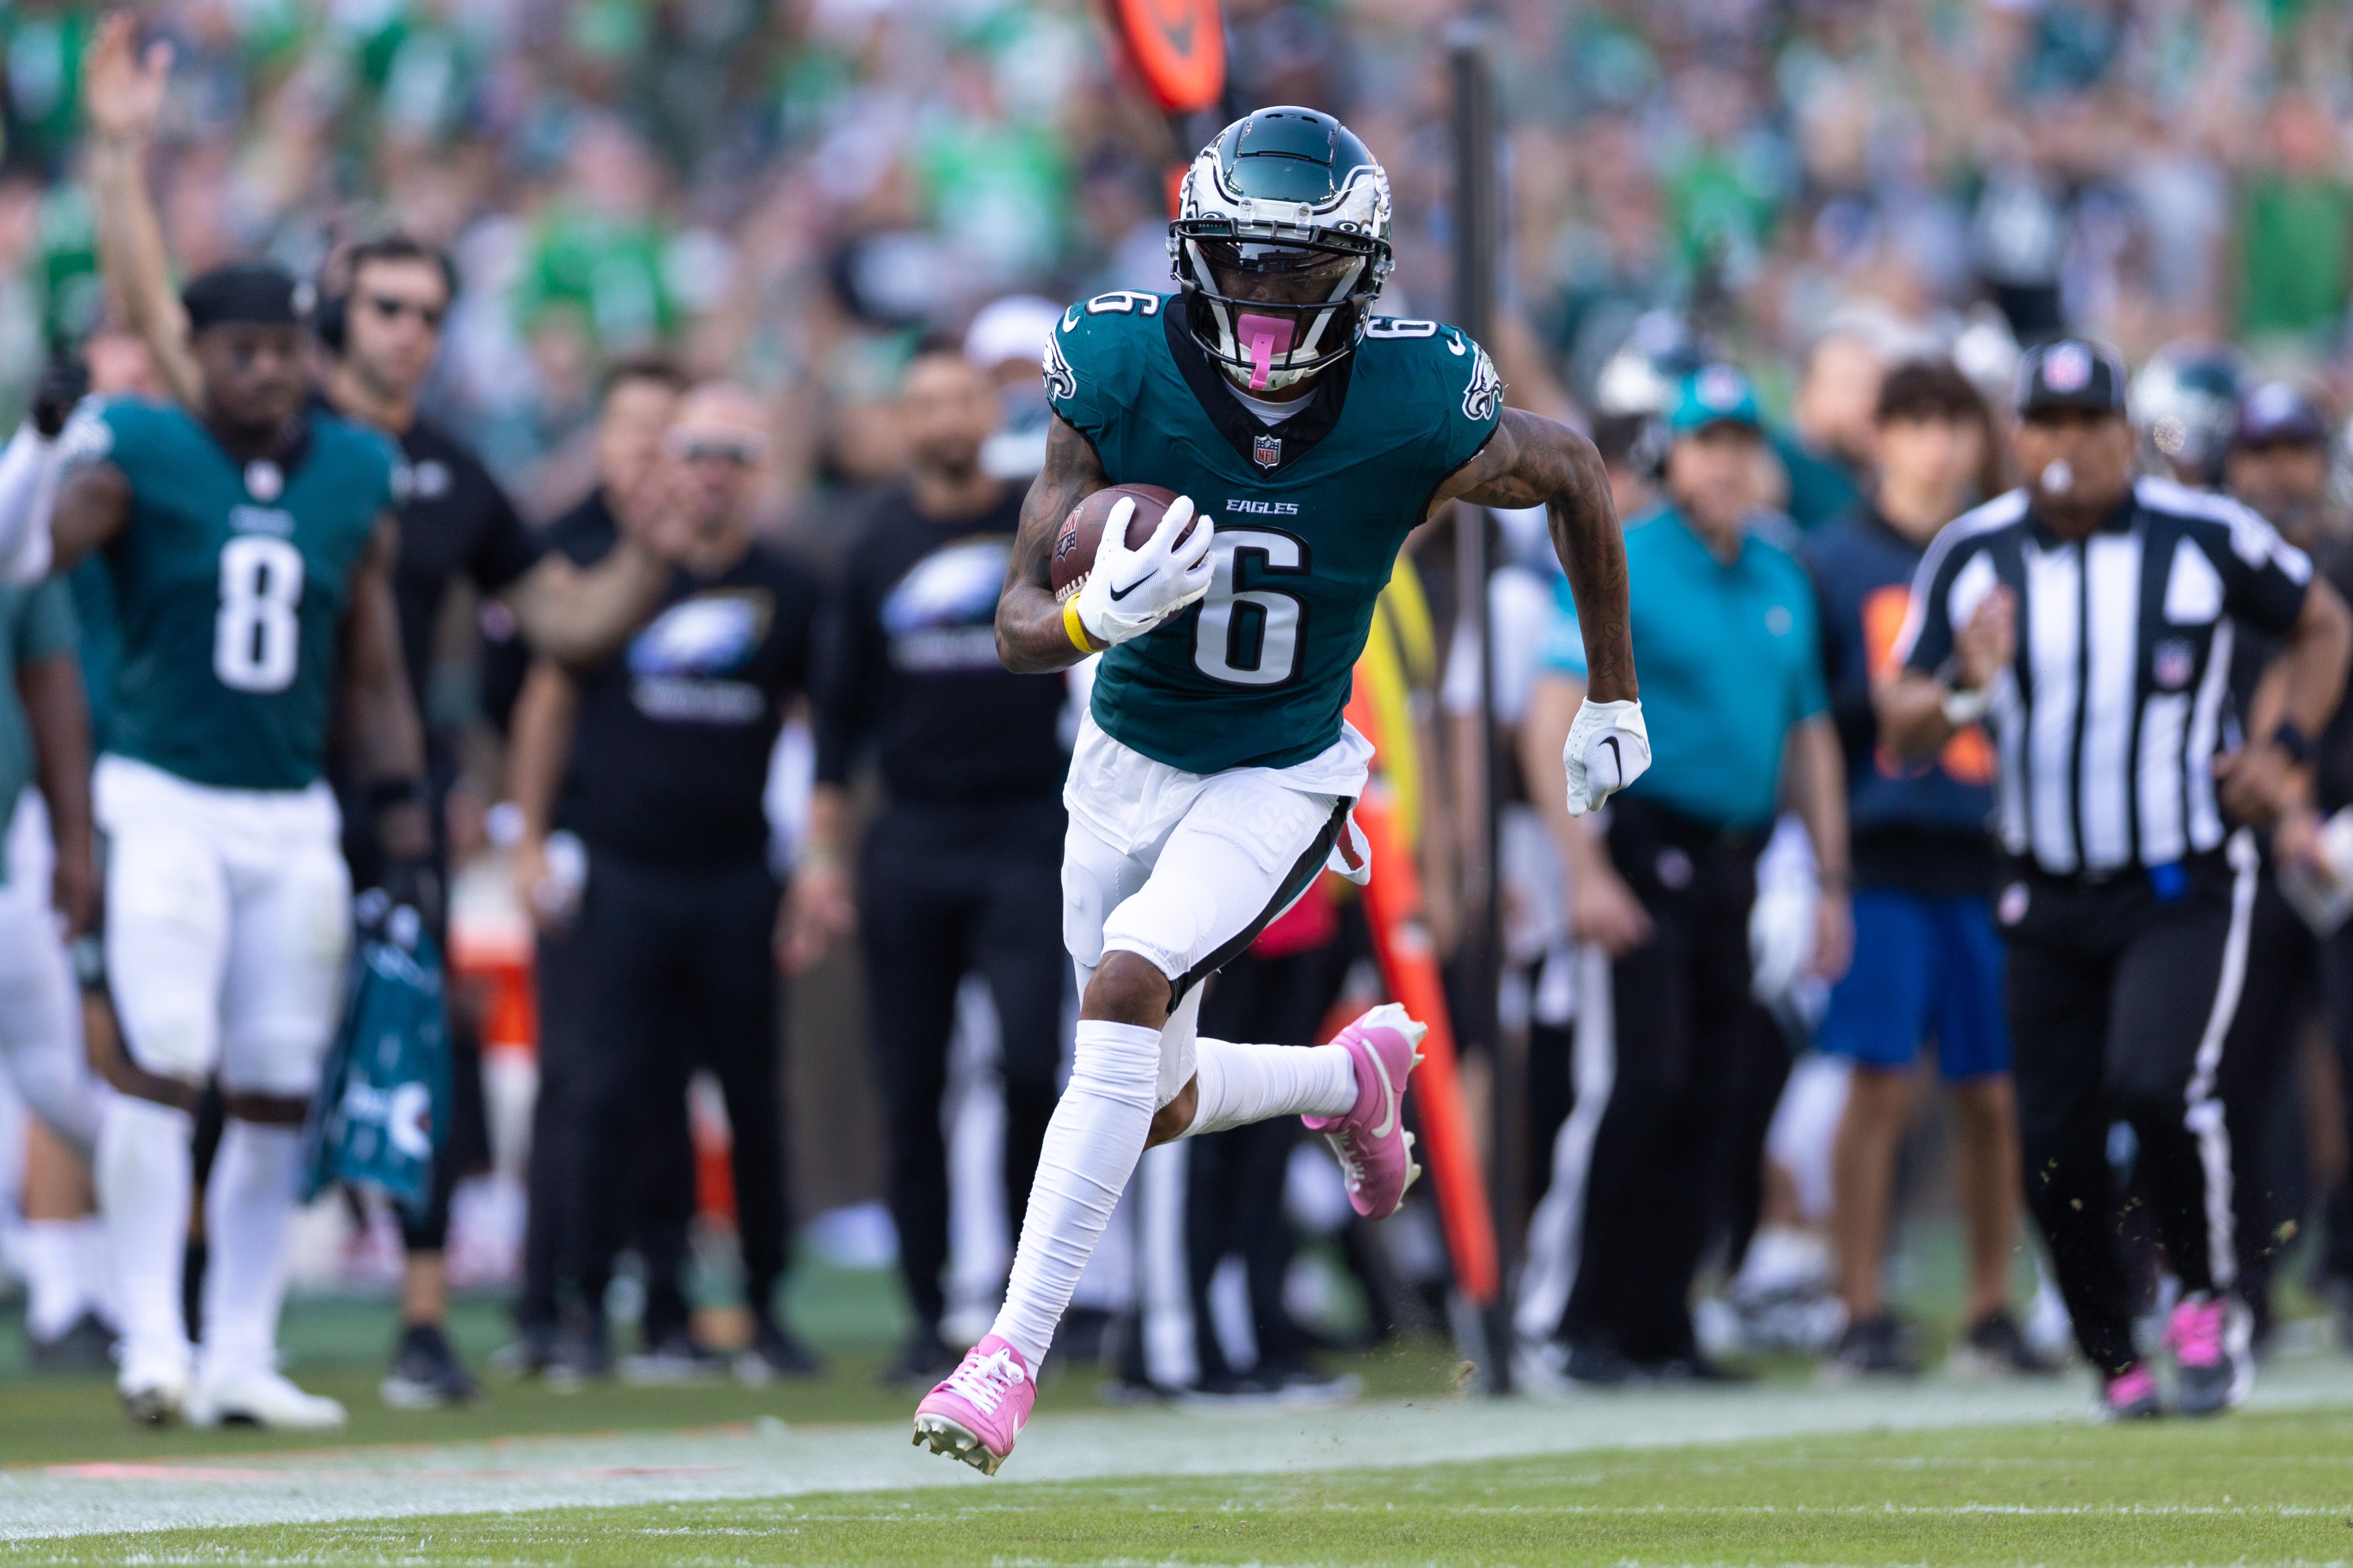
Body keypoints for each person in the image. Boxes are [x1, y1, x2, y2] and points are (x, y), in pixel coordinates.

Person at [911, 106, 1646, 1476]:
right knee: (1157, 1092)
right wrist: (1089, 619)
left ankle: (1006, 1355)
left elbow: (1576, 471)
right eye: (1240, 263)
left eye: (1297, 269)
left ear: (1357, 277)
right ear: (1195, 255)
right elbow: (1016, 620)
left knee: (1126, 993)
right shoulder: (1119, 361)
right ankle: (1344, 1077)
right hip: (1124, 762)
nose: (1262, 296)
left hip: (1285, 766)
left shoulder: (1416, 394)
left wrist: (1611, 690)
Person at [78, 15, 685, 1406]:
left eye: (430, 314)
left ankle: (374, 1322)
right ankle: (155, 1328)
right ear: (326, 316)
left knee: (371, 1051)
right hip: (221, 768)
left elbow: (562, 624)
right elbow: (166, 328)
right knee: (185, 1057)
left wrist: (653, 544)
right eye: (389, 309)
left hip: (363, 788)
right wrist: (121, 157)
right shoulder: (261, 424)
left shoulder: (441, 473)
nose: (410, 335)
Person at [1880, 338, 2352, 1419]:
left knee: (2159, 1084)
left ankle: (2204, 1298)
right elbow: (1903, 726)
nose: (2067, 447)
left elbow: (2323, 625)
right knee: (2053, 1130)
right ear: (2018, 437)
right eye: (2045, 425)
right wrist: (1965, 681)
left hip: (2180, 876)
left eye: (2089, 424)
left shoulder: (2204, 536)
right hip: (2044, 886)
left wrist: (2282, 754)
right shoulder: (1973, 551)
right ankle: (2107, 1339)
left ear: (2124, 436)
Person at [28, 260, 425, 1428]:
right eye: (239, 349)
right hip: (161, 797)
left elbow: (376, 660)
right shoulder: (142, 449)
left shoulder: (356, 466)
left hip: (290, 808)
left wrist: (401, 813)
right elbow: (32, 560)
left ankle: (242, 1349)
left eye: (282, 348)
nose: (264, 371)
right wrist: (45, 451)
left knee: (276, 1088)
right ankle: (153, 1338)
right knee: (165, 1058)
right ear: (193, 353)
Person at [1518, 364, 1849, 1388]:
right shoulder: (1624, 556)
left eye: (1741, 444)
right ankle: (1567, 1320)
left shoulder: (1779, 577)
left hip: (1738, 858)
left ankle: (1660, 1322)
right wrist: (1582, 868)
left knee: (1717, 1089)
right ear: (1671, 455)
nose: (1726, 464)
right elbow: (1547, 715)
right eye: (1707, 442)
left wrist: (1832, 878)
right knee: (1636, 1083)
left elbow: (1808, 738)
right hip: (1643, 844)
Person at [509, 383, 826, 1384]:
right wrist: (528, 842)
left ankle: (766, 1305)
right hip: (624, 869)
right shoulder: (620, 576)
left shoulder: (790, 584)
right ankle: (589, 1307)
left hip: (736, 874)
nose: (712, 474)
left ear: (760, 473)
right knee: (608, 1095)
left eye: (733, 455)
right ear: (668, 464)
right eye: (696, 453)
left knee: (750, 1096)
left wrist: (818, 859)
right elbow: (548, 701)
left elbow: (825, 731)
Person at [791, 338, 1070, 1387]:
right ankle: (924, 1312)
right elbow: (835, 722)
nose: (945, 418)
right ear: (904, 422)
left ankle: (1020, 1305)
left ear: (984, 410)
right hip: (909, 837)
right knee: (909, 1087)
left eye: (961, 399)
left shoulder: (1040, 523)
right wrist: (824, 856)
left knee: (1034, 1071)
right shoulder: (870, 547)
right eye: (925, 403)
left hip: (1025, 833)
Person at [1804, 360, 2045, 1378]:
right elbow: (1819, 716)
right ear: (1882, 436)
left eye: (1956, 423)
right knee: (1881, 1084)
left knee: (1993, 1093)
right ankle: (1856, 1307)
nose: (1938, 445)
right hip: (1886, 844)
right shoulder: (1837, 560)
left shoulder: (2011, 553)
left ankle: (1992, 1307)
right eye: (1918, 422)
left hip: (1988, 847)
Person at [2213, 380, 2353, 1352]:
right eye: (2260, 451)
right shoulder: (2211, 565)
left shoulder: (2345, 560)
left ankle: (2342, 1267)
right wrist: (2277, 803)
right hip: (2247, 843)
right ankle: (2242, 1278)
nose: (2278, 469)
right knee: (2236, 1071)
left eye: (2294, 448)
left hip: (2344, 844)